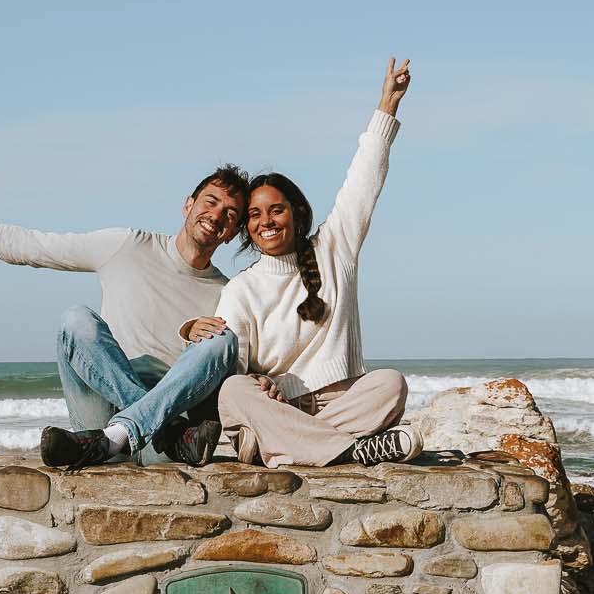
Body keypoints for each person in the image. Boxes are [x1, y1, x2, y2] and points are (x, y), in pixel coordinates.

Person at [0, 169, 249, 467]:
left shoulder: (228, 293)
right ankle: (160, 430)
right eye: (210, 201)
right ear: (188, 204)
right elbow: (32, 246)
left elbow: (234, 372)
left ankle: (131, 434)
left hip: (147, 435)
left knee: (224, 342)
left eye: (230, 214)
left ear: (233, 233)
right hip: (113, 419)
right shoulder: (127, 246)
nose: (216, 215)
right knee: (75, 318)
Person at [181, 58, 423, 469]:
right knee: (234, 392)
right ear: (246, 227)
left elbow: (364, 179)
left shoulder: (334, 249)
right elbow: (233, 364)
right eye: (255, 215)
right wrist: (260, 381)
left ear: (296, 213)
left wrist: (388, 105)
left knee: (390, 384)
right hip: (275, 403)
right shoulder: (240, 288)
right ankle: (349, 451)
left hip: (339, 402)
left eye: (276, 211)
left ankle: (290, 447)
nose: (266, 222)